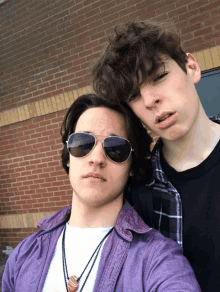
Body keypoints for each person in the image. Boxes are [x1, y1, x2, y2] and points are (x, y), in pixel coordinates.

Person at [2, 94, 201, 291]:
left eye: (116, 148)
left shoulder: (158, 260)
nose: (97, 158)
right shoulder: (24, 254)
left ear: (131, 165)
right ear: (69, 156)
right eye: (82, 143)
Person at [92, 21, 220, 291]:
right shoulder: (138, 195)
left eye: (159, 76)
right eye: (134, 95)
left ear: (191, 67)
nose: (150, 100)